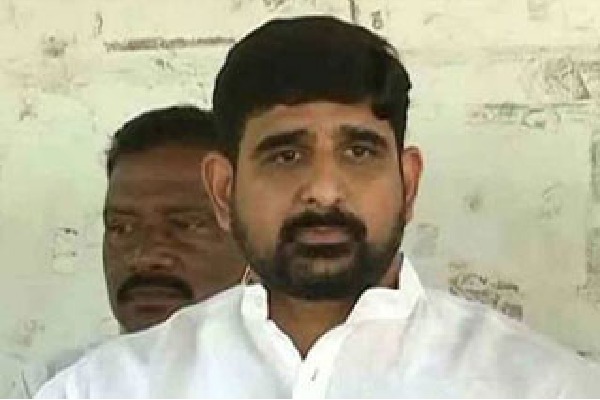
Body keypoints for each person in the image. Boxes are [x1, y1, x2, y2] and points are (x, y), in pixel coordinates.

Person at [36, 16, 600, 398]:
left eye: (360, 151)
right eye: (285, 155)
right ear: (223, 190)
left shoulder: (540, 387)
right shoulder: (105, 389)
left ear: (407, 183)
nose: (324, 190)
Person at [10, 106, 245, 397]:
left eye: (186, 225)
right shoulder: (59, 385)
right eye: (122, 228)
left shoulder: (292, 382)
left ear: (252, 236)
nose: (145, 257)